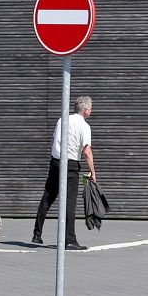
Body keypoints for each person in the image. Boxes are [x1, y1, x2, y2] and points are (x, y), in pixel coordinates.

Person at [32, 95, 96, 249]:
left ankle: (37, 234)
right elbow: (87, 151)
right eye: (91, 108)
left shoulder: (62, 120)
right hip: (71, 165)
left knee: (48, 196)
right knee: (69, 203)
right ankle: (69, 240)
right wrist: (93, 172)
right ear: (86, 110)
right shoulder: (84, 126)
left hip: (55, 162)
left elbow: (55, 139)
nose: (91, 111)